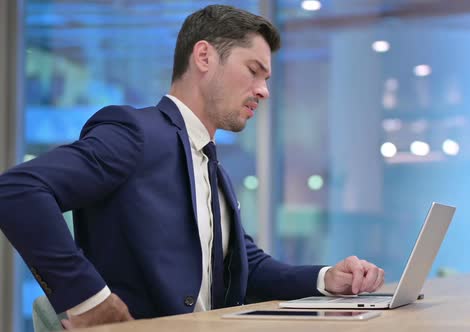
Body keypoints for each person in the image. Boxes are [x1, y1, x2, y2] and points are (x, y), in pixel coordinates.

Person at [0, 4, 384, 329]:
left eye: (266, 78)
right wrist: (90, 300)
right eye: (254, 70)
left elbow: (246, 265)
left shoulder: (211, 163)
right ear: (204, 57)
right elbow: (17, 190)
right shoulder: (136, 132)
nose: (264, 90)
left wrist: (325, 278)